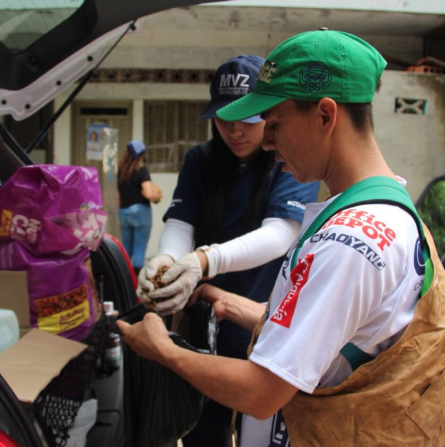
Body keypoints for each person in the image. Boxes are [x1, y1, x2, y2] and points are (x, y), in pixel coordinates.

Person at [118, 30, 445, 446]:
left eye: (274, 124)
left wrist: (163, 350)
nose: (267, 142)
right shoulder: (385, 207)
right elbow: (333, 329)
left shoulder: (349, 242)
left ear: (325, 115)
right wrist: (231, 303)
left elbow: (261, 391)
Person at [137, 54, 320, 446]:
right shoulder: (200, 160)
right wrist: (167, 260)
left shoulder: (285, 161)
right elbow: (181, 222)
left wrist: (206, 259)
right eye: (223, 118)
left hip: (261, 320)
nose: (235, 130)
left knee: (264, 430)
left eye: (247, 118)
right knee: (204, 431)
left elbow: (280, 233)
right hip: (203, 319)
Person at [117, 140, 162, 275]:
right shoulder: (142, 171)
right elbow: (148, 193)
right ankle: (135, 285)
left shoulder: (121, 171)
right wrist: (158, 197)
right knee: (139, 250)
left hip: (124, 212)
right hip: (140, 213)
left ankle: (124, 280)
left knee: (126, 250)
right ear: (142, 155)